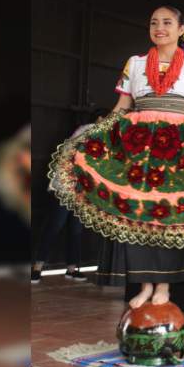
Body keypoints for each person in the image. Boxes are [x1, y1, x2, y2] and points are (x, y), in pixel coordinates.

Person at [48, 5, 184, 309]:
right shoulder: (135, 64)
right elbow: (122, 106)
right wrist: (95, 134)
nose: (159, 28)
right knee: (137, 212)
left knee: (169, 213)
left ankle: (164, 285)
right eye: (154, 22)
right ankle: (144, 284)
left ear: (181, 29)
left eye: (167, 22)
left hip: (179, 147)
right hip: (138, 144)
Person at [31, 109, 108, 283]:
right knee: (55, 225)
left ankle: (71, 269)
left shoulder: (98, 135)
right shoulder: (88, 131)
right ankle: (37, 268)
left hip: (81, 189)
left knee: (75, 229)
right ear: (100, 118)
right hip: (67, 187)